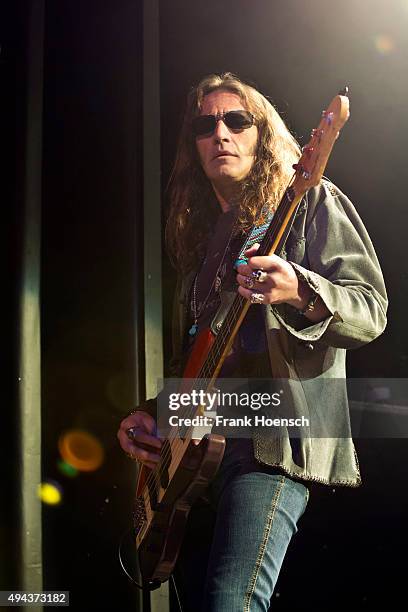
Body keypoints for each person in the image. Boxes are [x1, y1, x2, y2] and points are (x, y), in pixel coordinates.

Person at [117, 73, 388, 611]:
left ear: (263, 133)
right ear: (192, 147)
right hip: (192, 464)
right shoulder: (201, 254)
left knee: (231, 603)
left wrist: (299, 288)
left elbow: (370, 310)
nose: (220, 133)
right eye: (205, 125)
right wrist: (153, 414)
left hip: (265, 444)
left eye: (236, 120)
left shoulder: (309, 200)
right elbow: (192, 360)